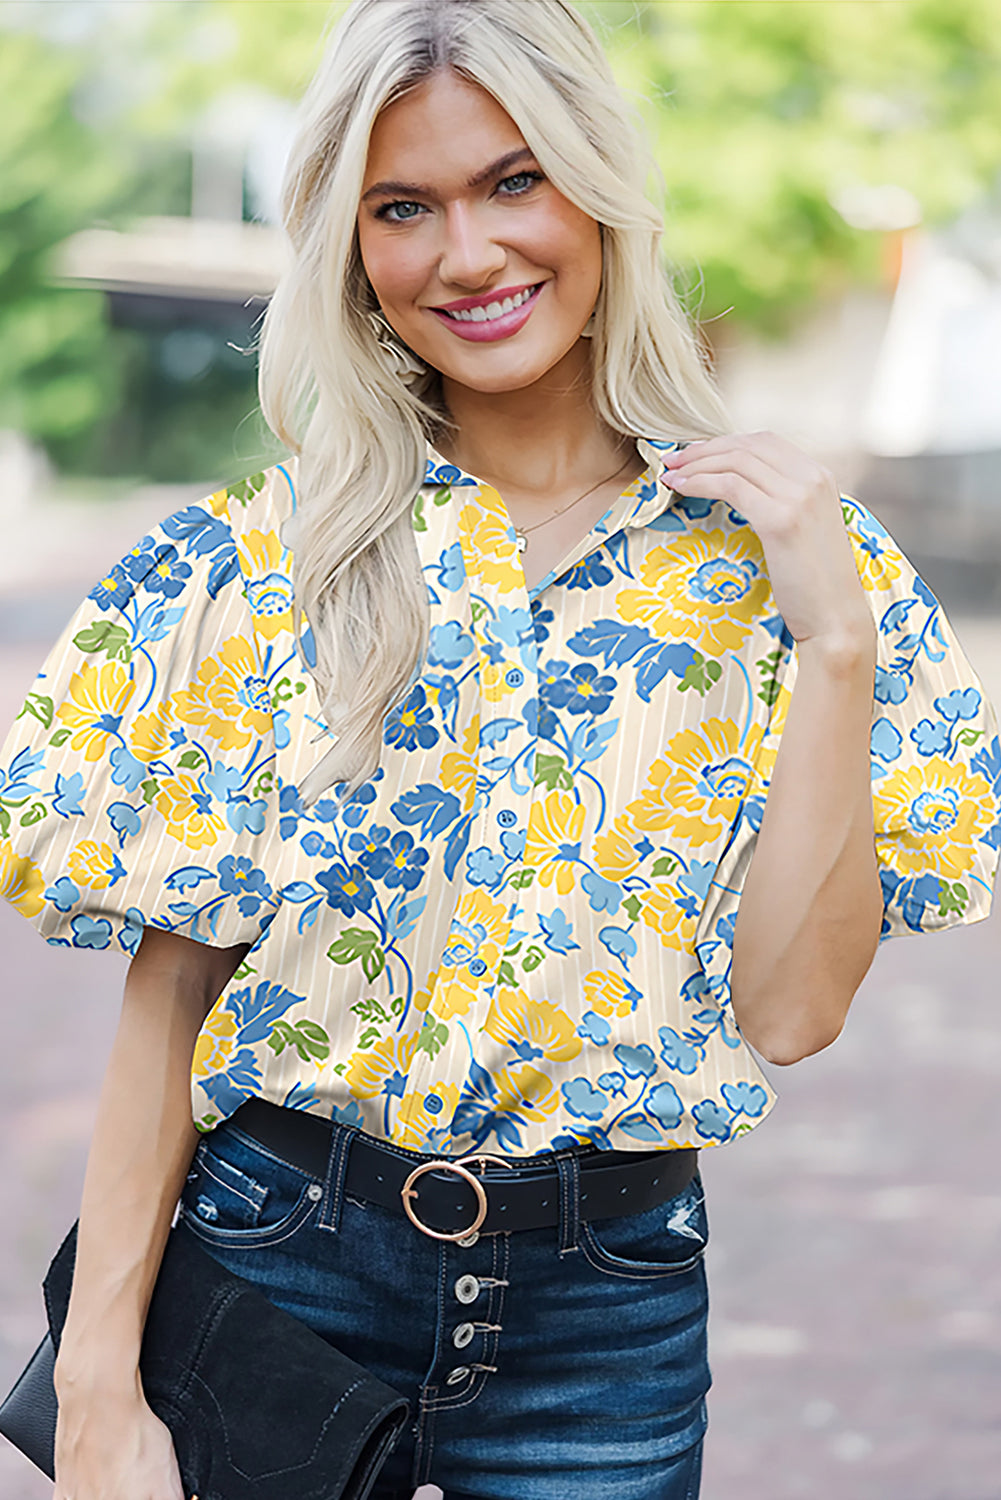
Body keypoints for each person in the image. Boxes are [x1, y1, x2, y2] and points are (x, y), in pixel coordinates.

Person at [2, 2, 999, 1497]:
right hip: (281, 1264)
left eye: (512, 183)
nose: (465, 255)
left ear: (600, 191)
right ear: (351, 248)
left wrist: (834, 647)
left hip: (608, 1307)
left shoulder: (784, 572)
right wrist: (95, 1385)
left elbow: (789, 1014)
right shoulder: (266, 564)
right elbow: (174, 989)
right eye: (403, 208)